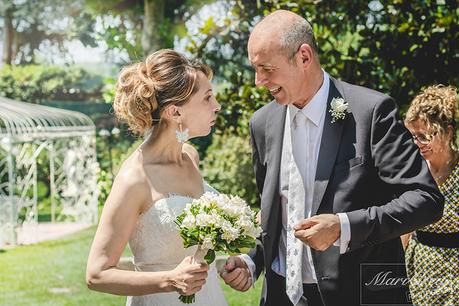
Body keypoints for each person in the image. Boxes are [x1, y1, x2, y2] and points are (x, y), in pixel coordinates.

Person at [220, 10, 444, 306]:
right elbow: (276, 218)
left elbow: (425, 200)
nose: (259, 81)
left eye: (267, 69)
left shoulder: (371, 112)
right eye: (255, 69)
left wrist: (344, 226)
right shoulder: (262, 123)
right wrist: (252, 261)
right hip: (280, 297)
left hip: (358, 295)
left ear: (304, 56)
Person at [86, 49, 227, 306]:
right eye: (207, 98)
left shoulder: (190, 158)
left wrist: (230, 260)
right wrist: (170, 280)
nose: (217, 106)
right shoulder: (135, 178)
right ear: (175, 112)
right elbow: (97, 274)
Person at [402, 85, 458, 305]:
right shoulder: (412, 170)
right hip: (417, 269)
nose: (418, 144)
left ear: (448, 131)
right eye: (414, 136)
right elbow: (404, 225)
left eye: (425, 136)